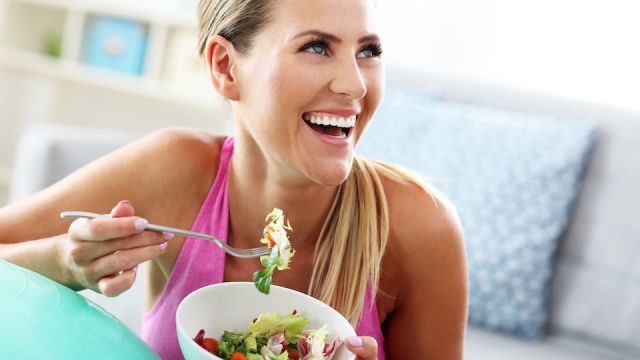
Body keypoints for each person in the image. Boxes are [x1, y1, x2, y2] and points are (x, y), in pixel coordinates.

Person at [0, 0, 468, 358]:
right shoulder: (175, 170)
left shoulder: (420, 226)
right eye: (316, 47)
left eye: (368, 51)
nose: (356, 85)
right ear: (225, 67)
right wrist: (65, 262)